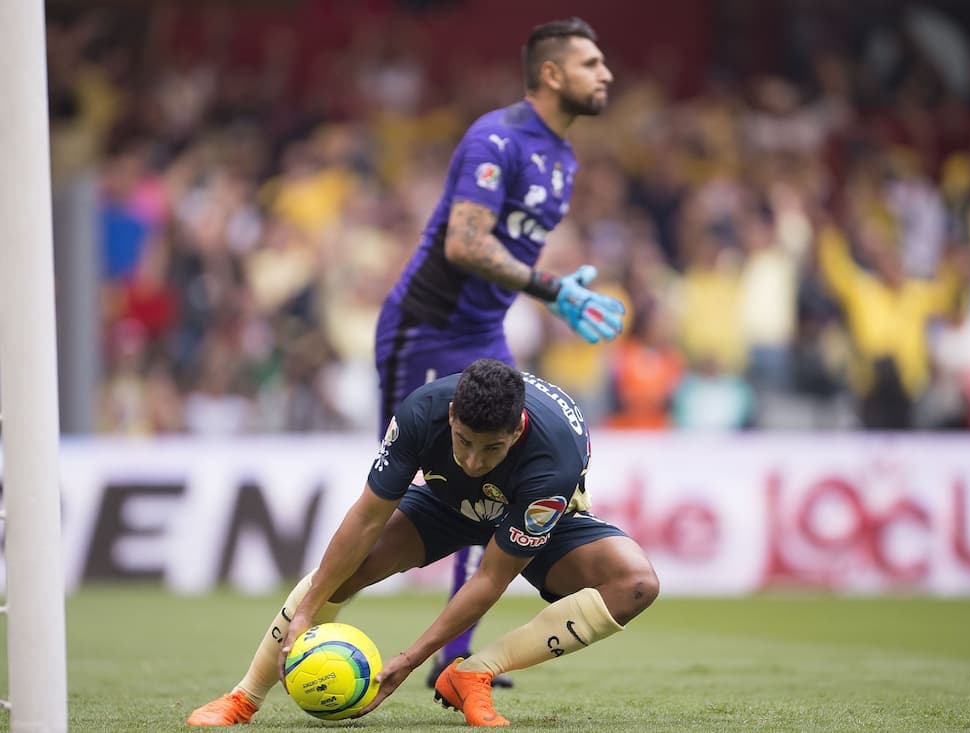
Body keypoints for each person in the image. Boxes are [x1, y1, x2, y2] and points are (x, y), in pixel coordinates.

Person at [187, 359, 659, 727]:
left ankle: (473, 672)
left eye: (491, 448)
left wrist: (411, 659)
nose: (474, 461)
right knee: (342, 571)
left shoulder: (553, 461)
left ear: (516, 432)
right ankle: (243, 698)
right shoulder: (420, 411)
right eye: (463, 441)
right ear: (452, 415)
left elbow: (492, 575)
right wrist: (309, 608)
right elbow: (368, 516)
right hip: (445, 503)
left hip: (528, 508)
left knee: (635, 583)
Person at [372, 16, 623, 687]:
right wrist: (549, 286)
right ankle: (304, 624)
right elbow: (464, 242)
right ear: (551, 73)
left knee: (494, 478)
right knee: (415, 488)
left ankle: (455, 659)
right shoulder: (498, 137)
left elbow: (504, 254)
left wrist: (552, 297)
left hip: (485, 331)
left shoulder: (564, 160)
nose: (607, 74)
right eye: (592, 63)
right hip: (425, 326)